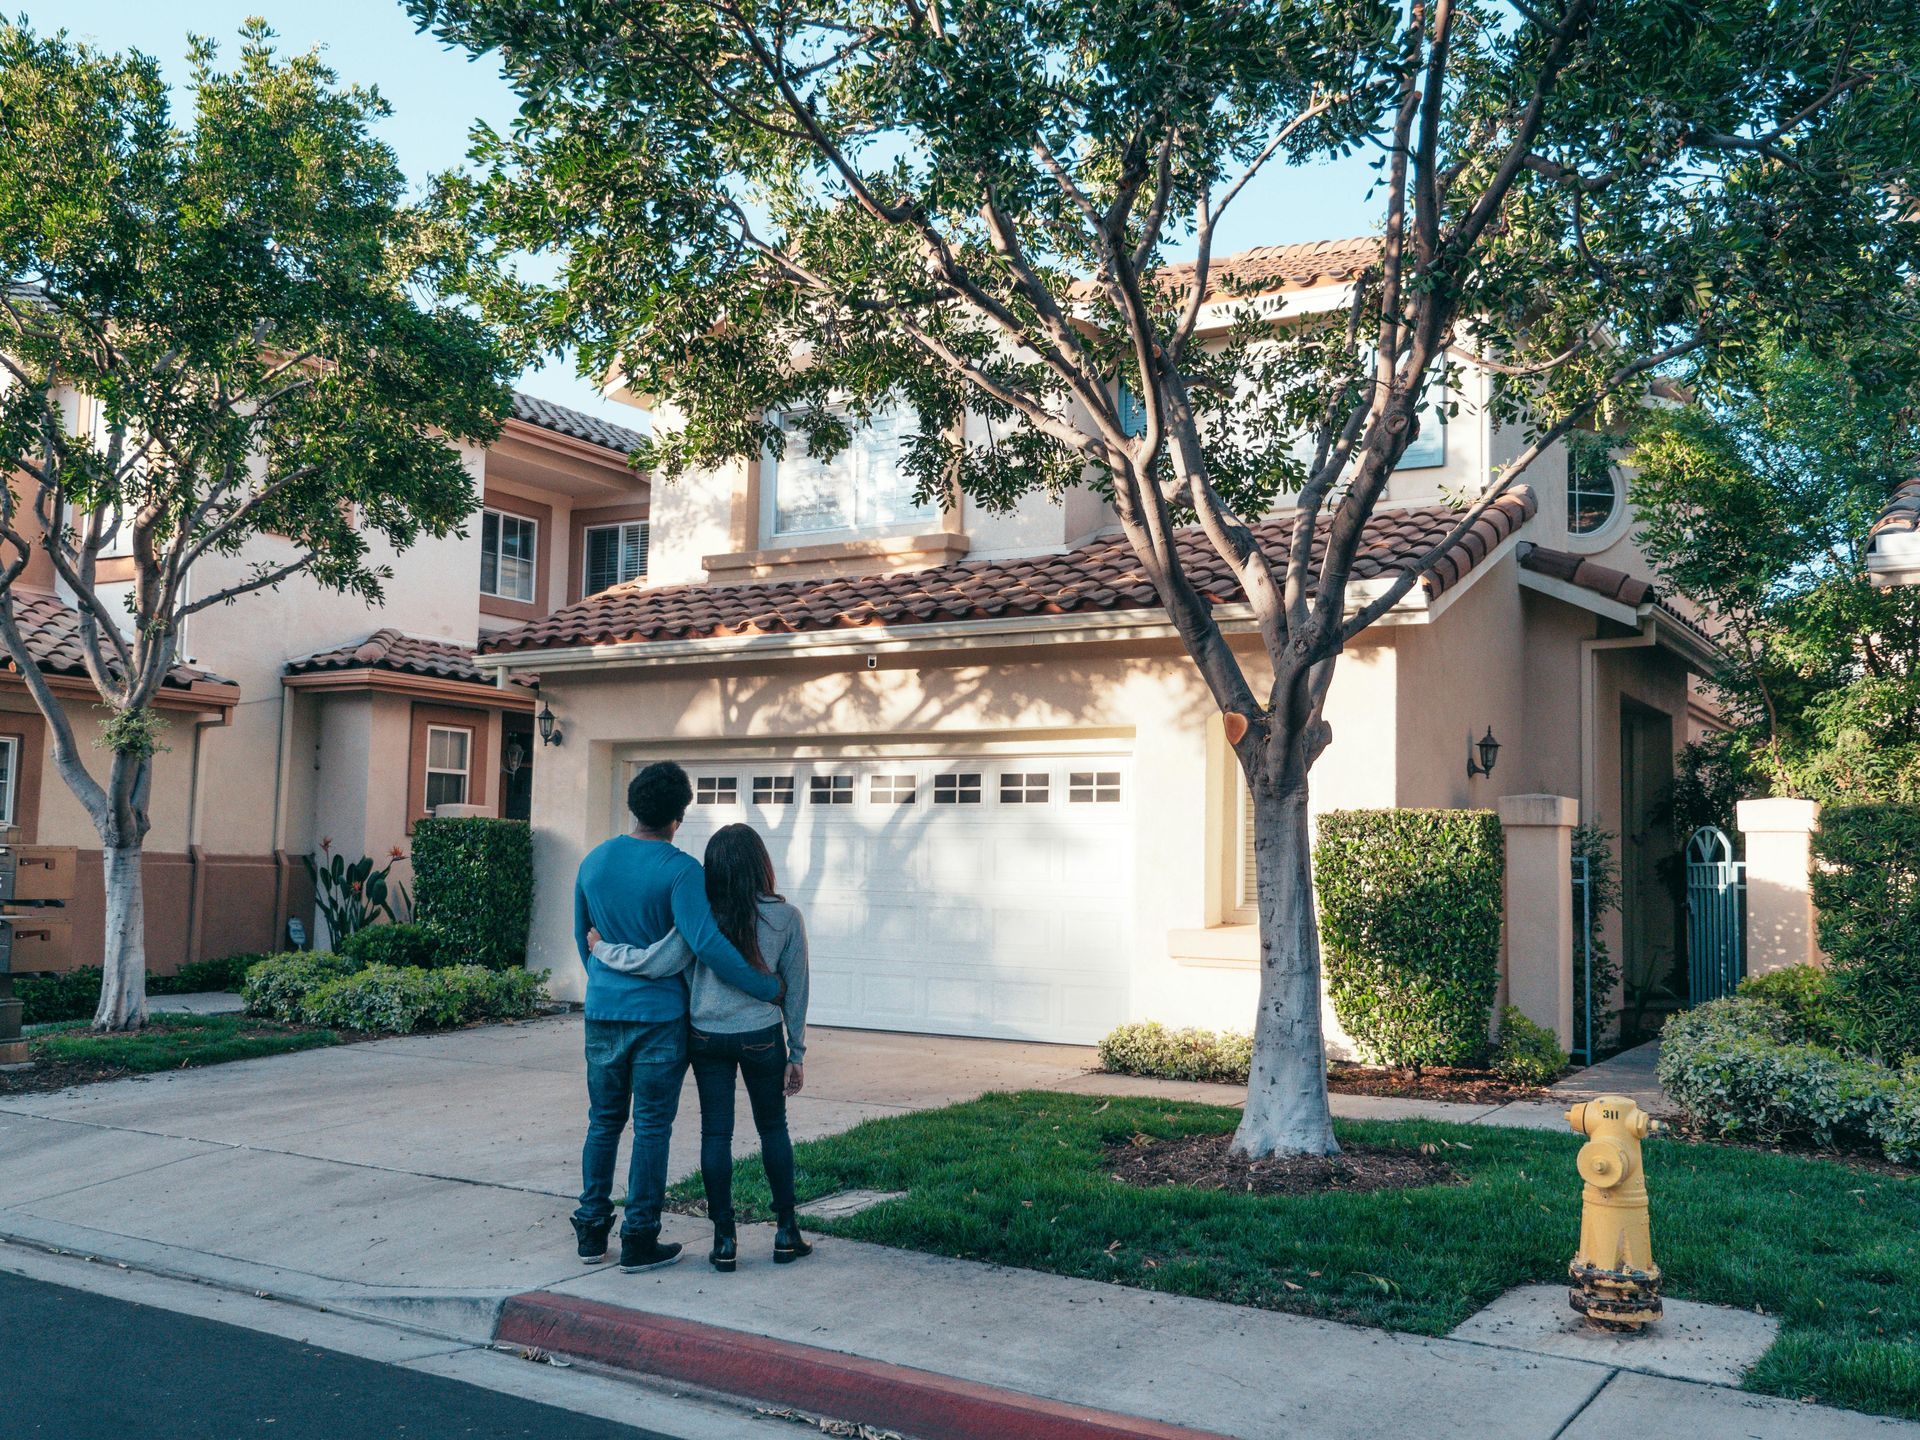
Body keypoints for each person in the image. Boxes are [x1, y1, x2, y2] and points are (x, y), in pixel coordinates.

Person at [571, 762, 783, 1274]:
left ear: (634, 806)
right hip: (660, 1019)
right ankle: (640, 1237)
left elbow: (584, 940)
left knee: (603, 1122)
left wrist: (608, 986)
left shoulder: (594, 862)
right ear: (679, 815)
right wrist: (766, 987)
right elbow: (707, 944)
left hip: (603, 1012)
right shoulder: (683, 871)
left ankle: (591, 1230)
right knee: (650, 1128)